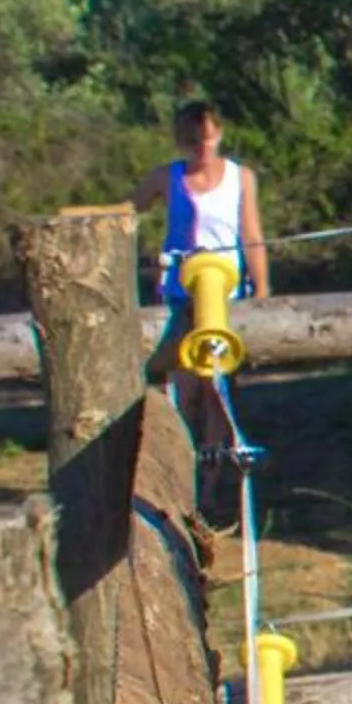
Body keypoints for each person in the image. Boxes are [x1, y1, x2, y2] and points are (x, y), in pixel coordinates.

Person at [129, 100, 268, 515]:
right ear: (181, 141)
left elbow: (252, 233)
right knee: (185, 392)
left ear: (219, 134)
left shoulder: (241, 178)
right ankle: (178, 481)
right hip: (179, 292)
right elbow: (126, 211)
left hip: (226, 293)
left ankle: (209, 489)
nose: (202, 146)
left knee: (217, 391)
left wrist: (262, 288)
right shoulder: (167, 178)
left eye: (208, 137)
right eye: (194, 140)